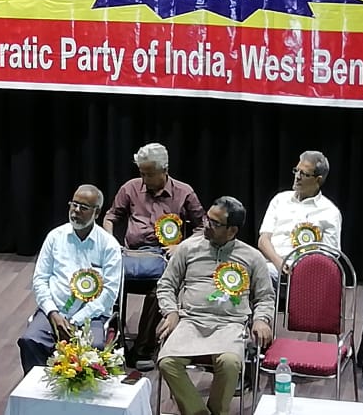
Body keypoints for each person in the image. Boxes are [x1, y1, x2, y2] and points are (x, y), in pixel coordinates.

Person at [156, 196, 275, 415]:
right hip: (191, 321)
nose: (206, 225)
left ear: (232, 230)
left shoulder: (252, 257)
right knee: (167, 362)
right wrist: (171, 312)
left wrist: (261, 319)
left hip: (230, 325)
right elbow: (166, 285)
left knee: (230, 363)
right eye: (206, 218)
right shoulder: (188, 248)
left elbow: (265, 296)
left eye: (214, 223)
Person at [102, 142, 205, 368]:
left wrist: (181, 247)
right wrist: (111, 243)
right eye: (141, 173)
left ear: (164, 170)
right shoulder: (130, 188)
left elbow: (203, 227)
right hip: (131, 254)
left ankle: (142, 350)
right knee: (108, 279)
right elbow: (110, 217)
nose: (144, 178)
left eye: (149, 174)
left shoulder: (184, 192)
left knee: (161, 288)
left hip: (165, 257)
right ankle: (111, 341)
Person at [17, 184, 123, 375]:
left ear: (97, 212)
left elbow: (109, 294)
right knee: (30, 340)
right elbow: (40, 279)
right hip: (54, 312)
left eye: (83, 207)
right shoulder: (55, 237)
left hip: (91, 316)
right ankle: (40, 390)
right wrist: (53, 313)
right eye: (74, 204)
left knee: (94, 350)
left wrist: (75, 320)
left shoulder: (109, 246)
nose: (76, 211)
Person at [257, 150, 343, 287]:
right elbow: (263, 240)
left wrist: (303, 269)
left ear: (318, 179)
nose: (297, 177)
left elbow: (329, 256)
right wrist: (278, 262)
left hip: (307, 274)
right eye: (296, 171)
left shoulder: (330, 212)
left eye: (304, 174)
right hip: (272, 265)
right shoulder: (280, 200)